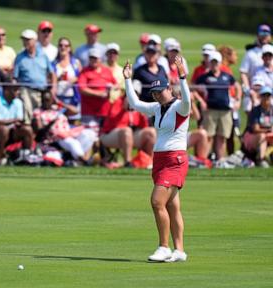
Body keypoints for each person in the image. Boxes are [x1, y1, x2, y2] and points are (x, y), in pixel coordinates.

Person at [124, 55, 190, 262]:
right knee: (172, 206)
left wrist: (182, 76)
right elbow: (134, 103)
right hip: (159, 161)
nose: (157, 95)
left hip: (175, 160)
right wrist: (127, 79)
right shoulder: (155, 108)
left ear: (169, 88)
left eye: (160, 91)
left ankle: (164, 247)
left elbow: (188, 99)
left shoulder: (180, 107)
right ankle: (179, 251)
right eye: (154, 92)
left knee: (156, 201)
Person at [196, 51, 241, 161]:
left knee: (222, 137)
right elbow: (193, 88)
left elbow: (237, 86)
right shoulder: (204, 77)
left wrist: (238, 100)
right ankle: (204, 161)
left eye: (216, 62)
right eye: (212, 62)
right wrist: (201, 101)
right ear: (209, 63)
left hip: (225, 110)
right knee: (208, 136)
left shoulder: (227, 76)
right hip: (210, 110)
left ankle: (220, 160)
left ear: (220, 63)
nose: (214, 65)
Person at [13, 29, 57, 125]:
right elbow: (15, 77)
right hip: (26, 90)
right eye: (24, 40)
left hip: (42, 90)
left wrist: (53, 88)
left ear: (35, 41)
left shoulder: (43, 56)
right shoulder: (19, 57)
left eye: (28, 40)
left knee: (41, 117)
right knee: (28, 115)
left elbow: (52, 73)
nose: (25, 42)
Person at [0, 80, 34, 164]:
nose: (17, 92)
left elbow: (19, 120)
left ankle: (26, 157)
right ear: (6, 90)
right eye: (15, 89)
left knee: (27, 129)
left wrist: (17, 122)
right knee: (3, 130)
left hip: (12, 131)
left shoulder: (18, 102)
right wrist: (14, 121)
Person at [78, 48, 117, 130]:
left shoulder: (106, 70)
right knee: (91, 135)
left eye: (96, 58)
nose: (93, 60)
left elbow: (115, 84)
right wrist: (99, 94)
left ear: (100, 59)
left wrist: (111, 88)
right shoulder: (84, 71)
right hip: (89, 110)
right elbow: (82, 89)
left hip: (105, 110)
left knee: (104, 133)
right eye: (91, 58)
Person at [52, 37, 82, 122]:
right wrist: (58, 78)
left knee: (74, 120)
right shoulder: (54, 64)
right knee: (59, 121)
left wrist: (75, 79)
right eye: (61, 45)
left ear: (69, 48)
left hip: (73, 98)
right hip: (58, 97)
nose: (63, 47)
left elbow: (82, 78)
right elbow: (50, 81)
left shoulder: (75, 63)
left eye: (66, 45)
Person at [242, 86, 273, 168]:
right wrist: (269, 130)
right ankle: (261, 160)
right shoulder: (256, 110)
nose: (266, 98)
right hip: (252, 137)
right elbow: (255, 129)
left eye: (268, 96)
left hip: (269, 135)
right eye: (264, 96)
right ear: (260, 97)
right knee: (263, 136)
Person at [240, 24, 272, 90]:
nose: (264, 37)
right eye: (262, 34)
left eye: (266, 35)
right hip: (254, 90)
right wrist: (246, 87)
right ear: (257, 35)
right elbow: (244, 72)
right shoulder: (250, 53)